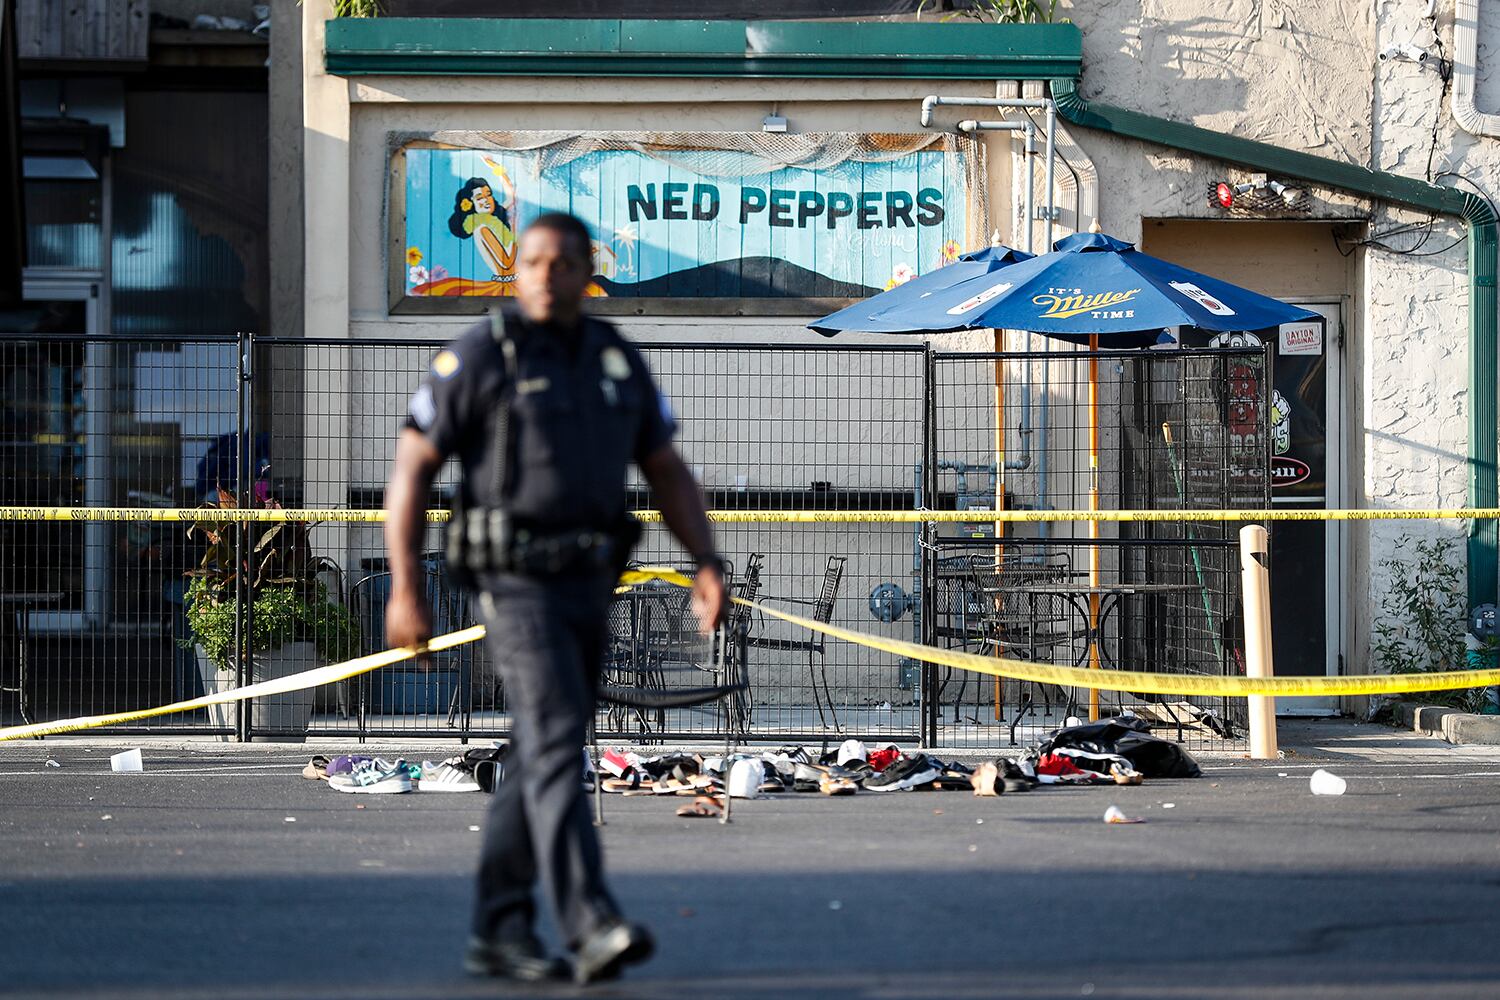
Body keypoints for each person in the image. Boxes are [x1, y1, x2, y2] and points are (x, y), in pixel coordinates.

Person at [383, 211, 728, 985]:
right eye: (531, 261)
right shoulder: (480, 354)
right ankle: (590, 921)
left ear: (583, 271)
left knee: (542, 743)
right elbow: (412, 469)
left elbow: (665, 467)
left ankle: (498, 931)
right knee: (554, 735)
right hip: (514, 584)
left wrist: (706, 559)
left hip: (590, 577)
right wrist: (405, 586)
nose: (543, 274)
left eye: (560, 262)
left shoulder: (612, 359)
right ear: (517, 272)